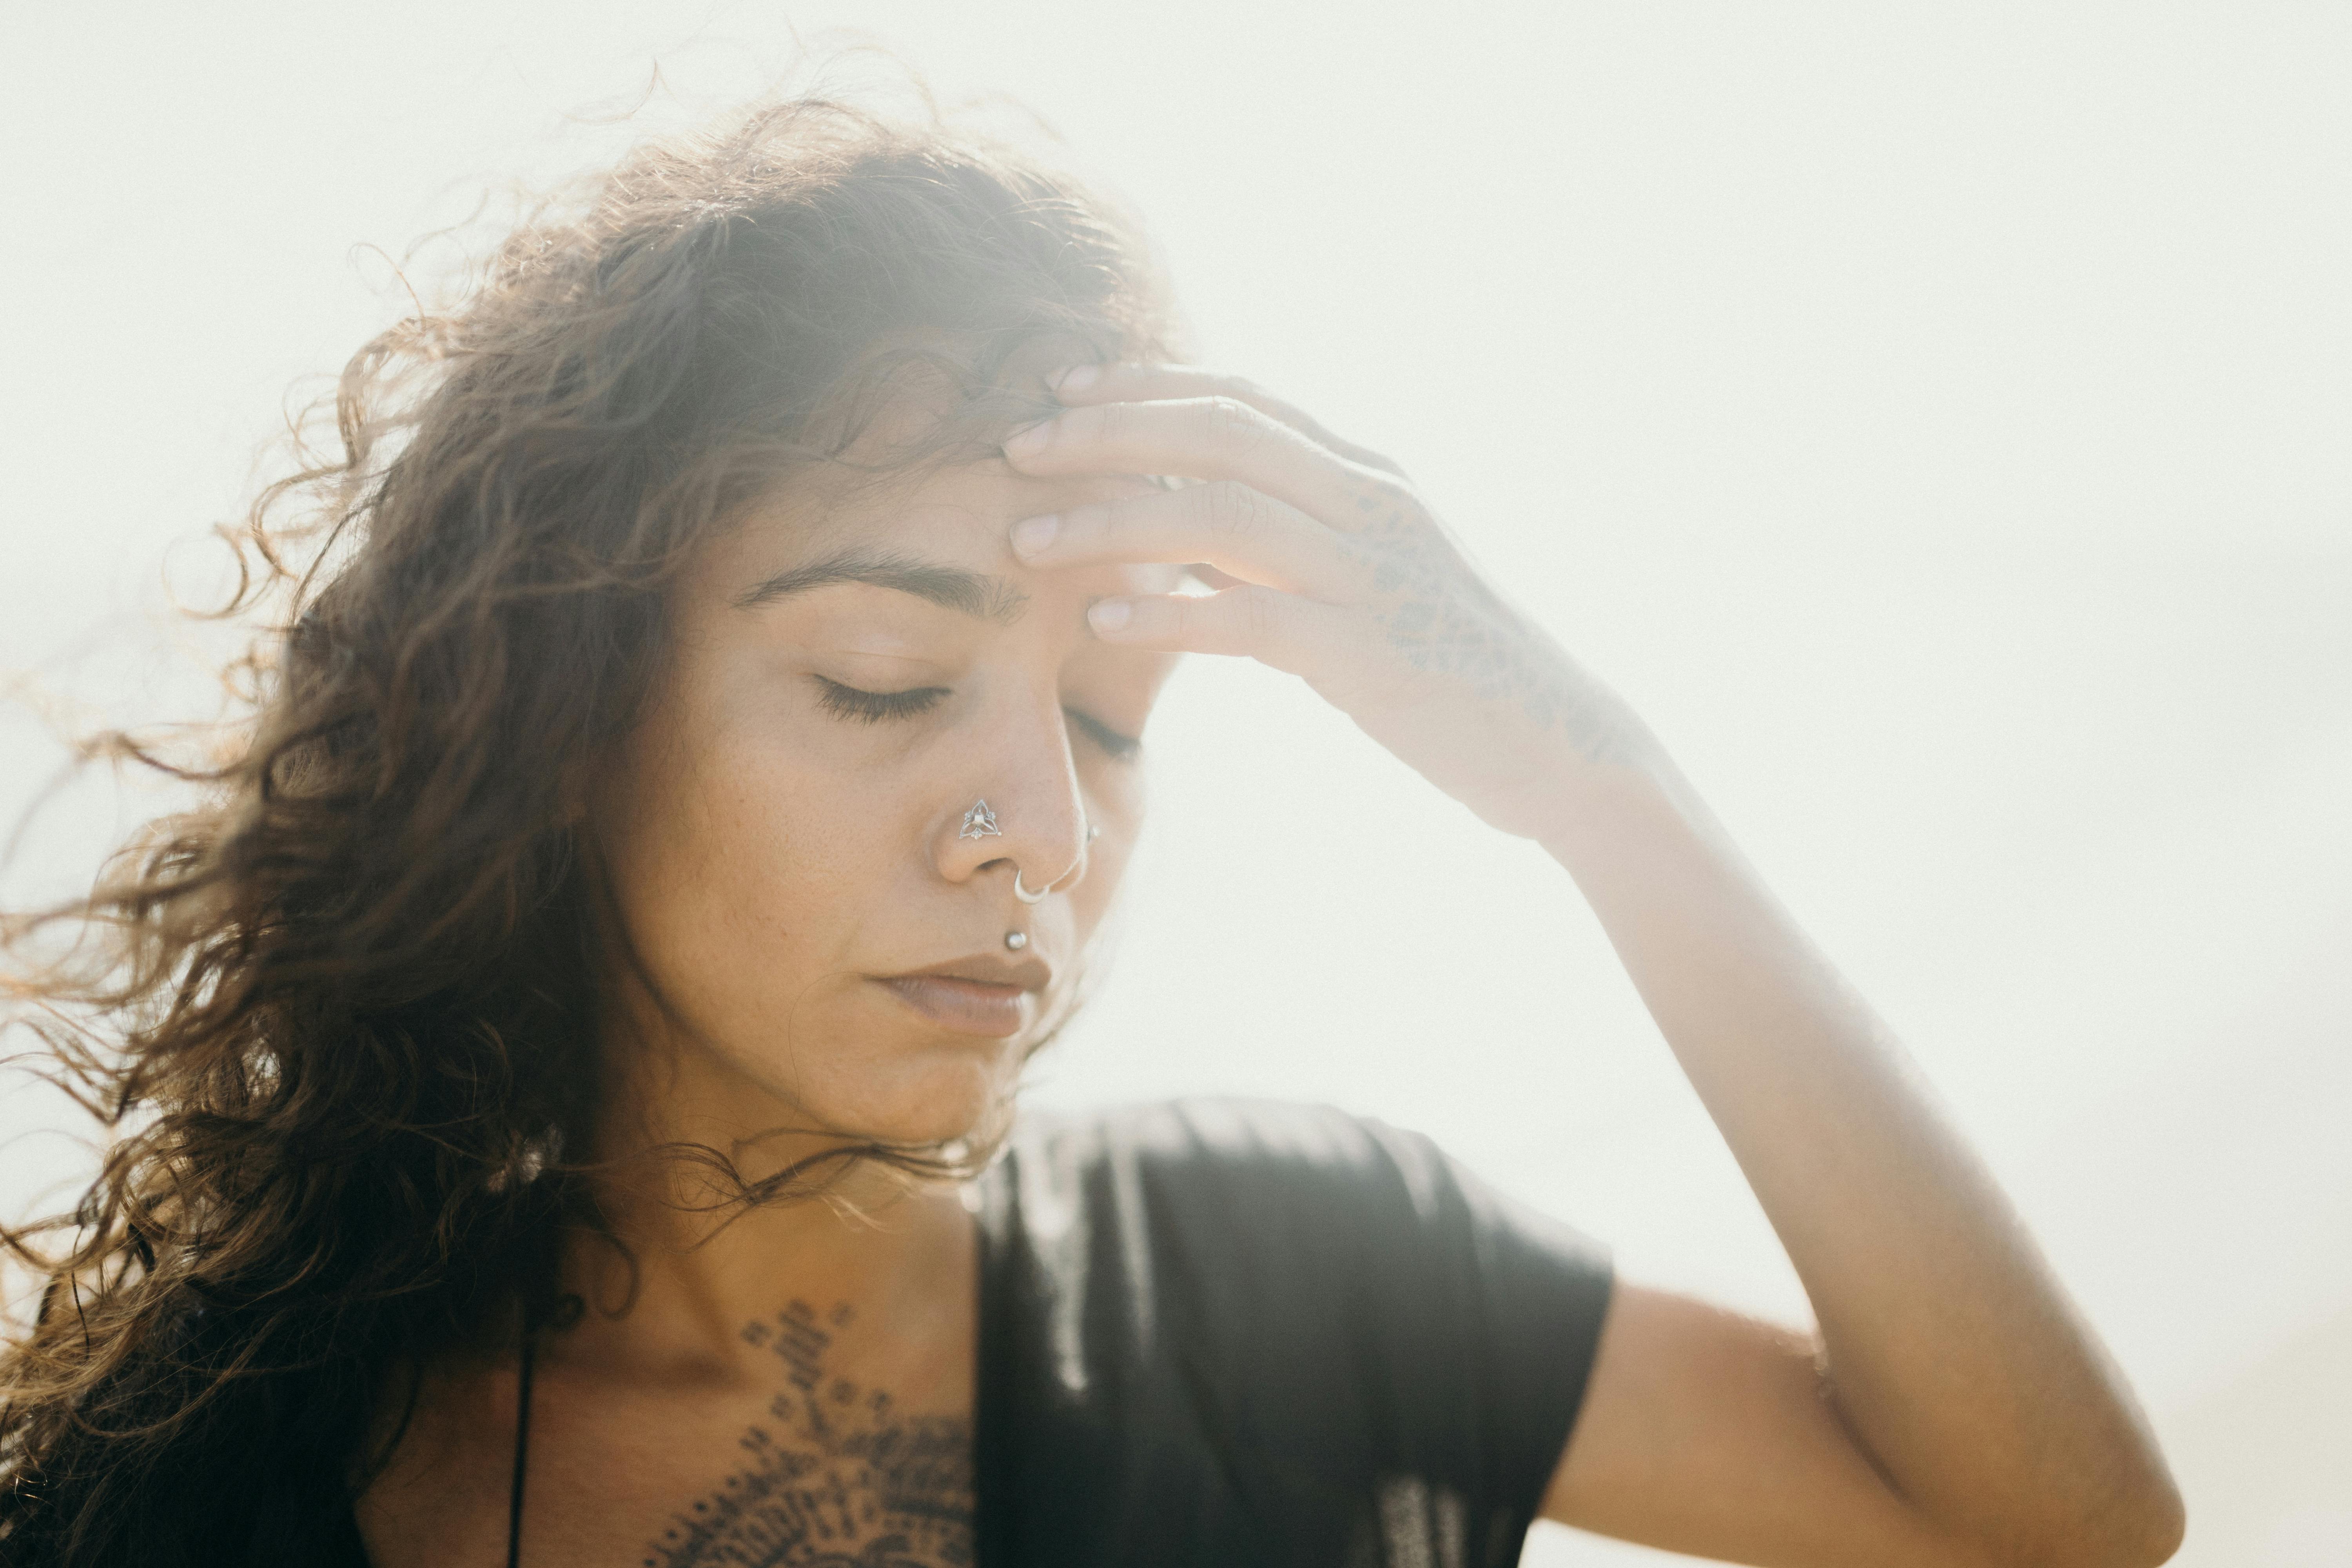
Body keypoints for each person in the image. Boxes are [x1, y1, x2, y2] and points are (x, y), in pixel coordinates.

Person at [0, 92, 2183, 1568]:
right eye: (882, 680)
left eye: (1115, 722)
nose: (1038, 831)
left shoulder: (1282, 1274)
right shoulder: (203, 1490)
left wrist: (1595, 784)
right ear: (563, 708)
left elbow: (2061, 1525)